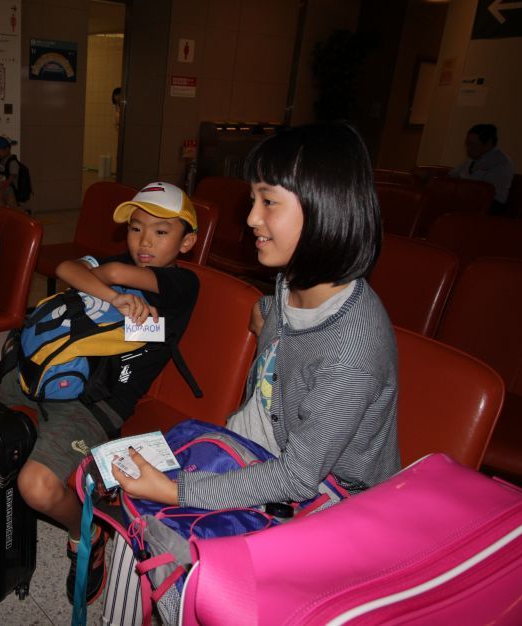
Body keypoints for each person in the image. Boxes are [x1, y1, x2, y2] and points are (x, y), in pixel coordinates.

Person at [104, 123, 401, 625]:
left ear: (322, 208)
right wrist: (267, 319)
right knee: (122, 501)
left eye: (268, 202)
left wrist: (177, 493)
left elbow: (299, 476)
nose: (251, 218)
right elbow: (281, 321)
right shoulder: (294, 277)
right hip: (251, 446)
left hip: (324, 498)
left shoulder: (354, 349)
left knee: (159, 535)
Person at [0, 182, 200, 604]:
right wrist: (112, 296)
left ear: (188, 242)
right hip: (43, 370)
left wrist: (107, 279)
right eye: (135, 228)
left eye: (160, 232)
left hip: (97, 403)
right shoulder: (118, 263)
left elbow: (106, 271)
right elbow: (66, 269)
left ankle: (86, 532)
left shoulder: (182, 286)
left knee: (36, 486)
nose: (144, 241)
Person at [448, 123, 514, 215]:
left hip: (489, 209)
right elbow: (452, 175)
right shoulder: (472, 159)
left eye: (473, 145)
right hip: (468, 202)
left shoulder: (501, 162)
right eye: (467, 145)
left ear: (488, 143)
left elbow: (486, 193)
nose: (469, 149)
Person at [0, 135, 20, 209]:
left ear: (7, 149)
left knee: (13, 209)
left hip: (11, 191)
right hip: (2, 189)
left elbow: (13, 175)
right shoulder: (1, 161)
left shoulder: (12, 161)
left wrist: (6, 184)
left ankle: (18, 219)